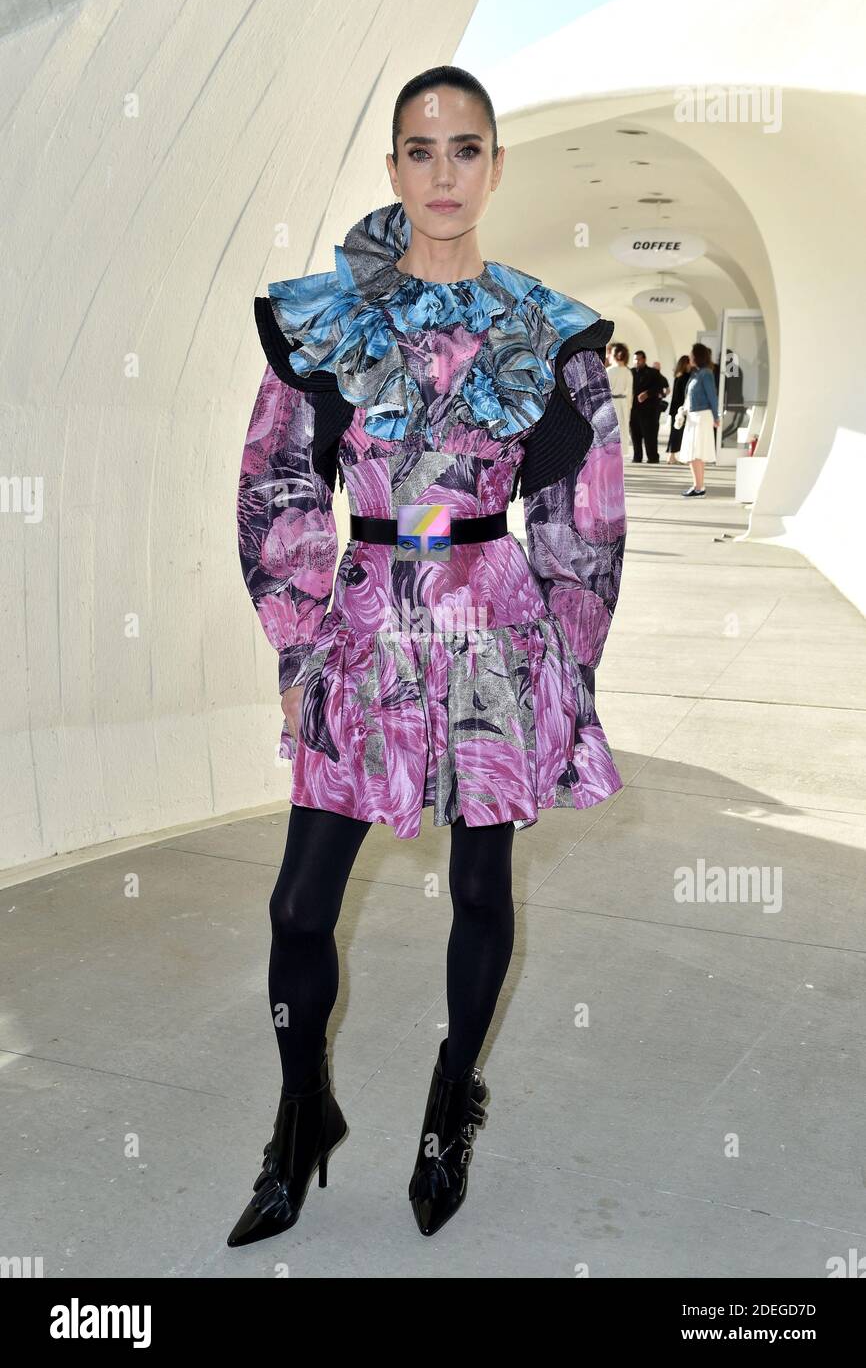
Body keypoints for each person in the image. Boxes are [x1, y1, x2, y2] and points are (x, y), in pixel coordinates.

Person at [229, 65, 627, 1246]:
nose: (441, 173)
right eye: (418, 150)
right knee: (298, 904)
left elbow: (584, 511)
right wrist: (298, 638)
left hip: (492, 624)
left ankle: (450, 1105)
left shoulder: (550, 333)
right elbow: (275, 479)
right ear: (391, 166)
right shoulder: (321, 318)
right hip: (359, 625)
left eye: (463, 150)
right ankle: (304, 1115)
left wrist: (568, 656)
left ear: (493, 167)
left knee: (478, 886)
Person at [675, 342, 719, 495]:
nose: (689, 357)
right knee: (694, 453)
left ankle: (699, 487)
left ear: (697, 356)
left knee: (695, 452)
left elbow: (712, 396)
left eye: (692, 354)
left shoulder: (705, 373)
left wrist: (716, 416)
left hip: (701, 416)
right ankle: (698, 486)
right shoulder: (698, 373)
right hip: (694, 416)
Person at [629, 350, 665, 462]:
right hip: (634, 410)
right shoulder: (630, 372)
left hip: (649, 411)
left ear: (644, 359)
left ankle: (653, 458)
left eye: (639, 359)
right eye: (635, 359)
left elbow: (660, 388)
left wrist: (647, 394)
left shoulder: (653, 373)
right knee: (635, 435)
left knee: (650, 436)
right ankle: (637, 457)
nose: (637, 361)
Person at [606, 343, 633, 456]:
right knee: (622, 430)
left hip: (611, 403)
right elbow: (630, 392)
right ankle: (620, 453)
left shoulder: (609, 371)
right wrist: (628, 408)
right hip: (623, 404)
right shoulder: (628, 372)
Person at [665, 355, 693, 463]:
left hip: (675, 409)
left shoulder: (678, 376)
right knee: (678, 433)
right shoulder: (686, 377)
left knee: (675, 432)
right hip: (680, 409)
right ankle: (672, 456)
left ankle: (672, 455)